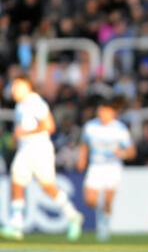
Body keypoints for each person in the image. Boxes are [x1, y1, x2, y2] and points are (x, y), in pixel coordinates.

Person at [1, 75, 83, 241]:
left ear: (27, 87)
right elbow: (23, 129)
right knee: (17, 183)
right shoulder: (20, 106)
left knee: (48, 187)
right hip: (25, 149)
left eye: (18, 86)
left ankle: (73, 215)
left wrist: (25, 133)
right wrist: (17, 138)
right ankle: (17, 225)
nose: (14, 90)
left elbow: (49, 126)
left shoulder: (35, 102)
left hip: (39, 149)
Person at [77, 97, 136, 241]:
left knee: (109, 200)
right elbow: (84, 144)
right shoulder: (91, 127)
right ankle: (101, 212)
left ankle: (105, 223)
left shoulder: (120, 129)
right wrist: (82, 159)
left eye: (106, 111)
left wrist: (121, 153)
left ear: (112, 113)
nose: (103, 114)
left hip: (112, 167)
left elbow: (131, 152)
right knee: (90, 200)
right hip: (95, 166)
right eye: (101, 111)